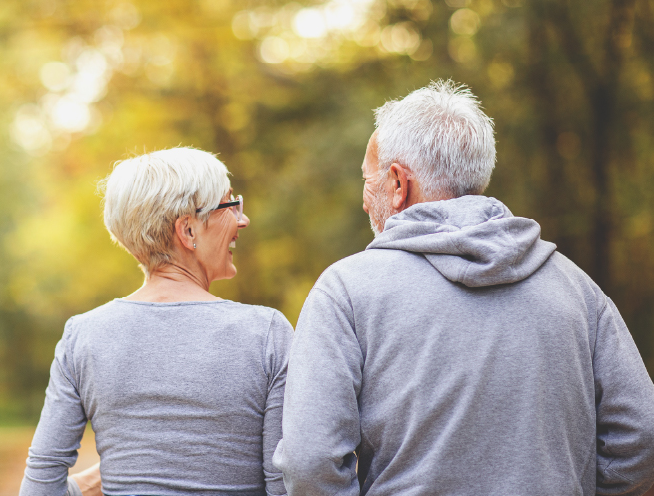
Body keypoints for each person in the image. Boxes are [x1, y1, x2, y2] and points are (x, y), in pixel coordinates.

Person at [274, 81, 654, 495]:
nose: (366, 201)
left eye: (368, 181)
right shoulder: (576, 288)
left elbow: (310, 463)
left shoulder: (345, 291)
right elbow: (642, 436)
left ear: (399, 184)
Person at [20, 147, 293, 496]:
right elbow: (284, 485)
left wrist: (110, 475)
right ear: (189, 231)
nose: (242, 220)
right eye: (229, 205)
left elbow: (40, 488)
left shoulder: (84, 336)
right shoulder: (266, 333)